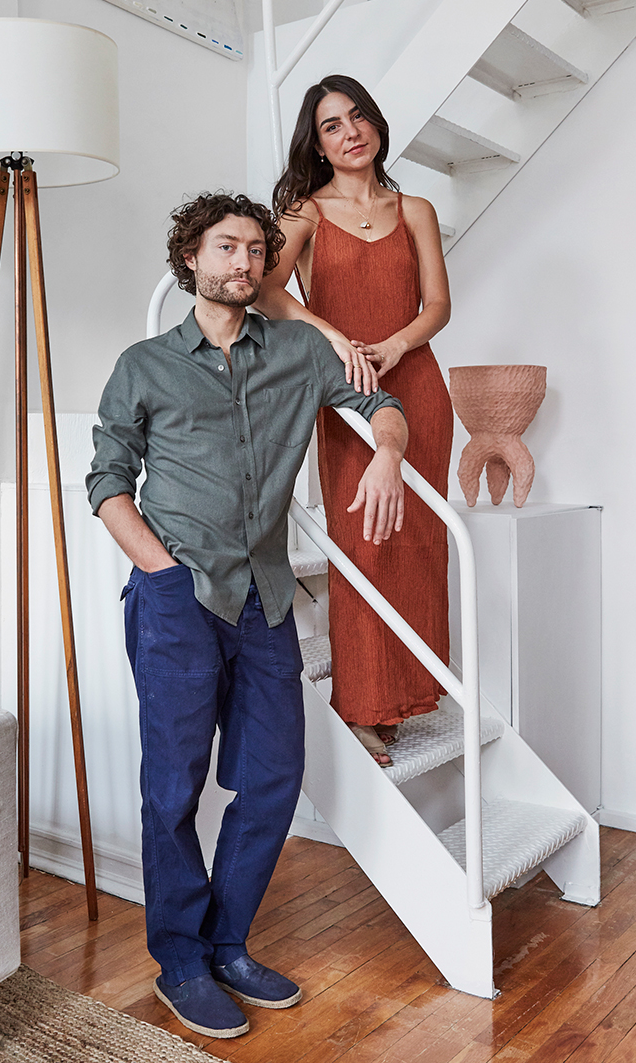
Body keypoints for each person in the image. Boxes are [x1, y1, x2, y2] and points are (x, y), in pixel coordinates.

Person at [86, 191, 408, 1041]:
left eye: (258, 252)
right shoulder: (143, 365)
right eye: (227, 248)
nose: (246, 263)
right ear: (190, 257)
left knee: (270, 780)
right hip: (177, 597)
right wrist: (158, 572)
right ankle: (181, 962)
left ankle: (227, 945)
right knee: (174, 789)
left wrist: (387, 452)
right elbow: (108, 485)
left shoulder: (300, 349)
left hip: (265, 598)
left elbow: (380, 405)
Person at [258, 75, 453, 769]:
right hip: (343, 392)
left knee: (418, 544)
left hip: (419, 384)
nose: (350, 132)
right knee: (364, 544)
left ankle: (408, 695)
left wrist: (398, 344)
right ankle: (363, 705)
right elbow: (266, 290)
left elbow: (437, 306)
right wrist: (330, 335)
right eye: (332, 125)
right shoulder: (302, 213)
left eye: (358, 117)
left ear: (375, 125)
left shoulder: (417, 208)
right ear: (318, 143)